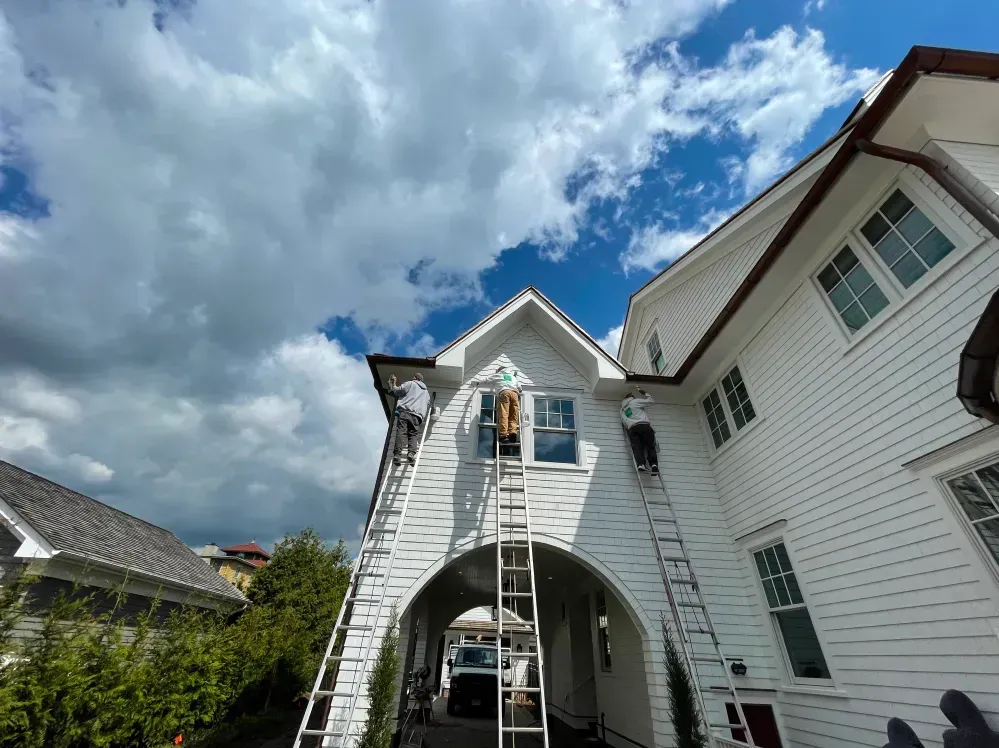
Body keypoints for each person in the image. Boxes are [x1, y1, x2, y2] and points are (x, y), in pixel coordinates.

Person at [387, 373, 430, 465]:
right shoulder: (426, 393)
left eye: (414, 376)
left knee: (401, 432)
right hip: (417, 416)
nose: (412, 377)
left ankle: (397, 455)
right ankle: (411, 453)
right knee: (413, 434)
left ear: (416, 378)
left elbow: (399, 391)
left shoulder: (410, 383)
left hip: (406, 412)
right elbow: (427, 403)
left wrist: (393, 384)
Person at [473, 365, 523, 443]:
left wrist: (478, 383)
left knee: (504, 413)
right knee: (513, 415)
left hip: (505, 392)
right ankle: (513, 433)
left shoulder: (499, 375)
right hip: (515, 394)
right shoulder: (513, 377)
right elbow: (520, 389)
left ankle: (503, 435)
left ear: (499, 371)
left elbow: (487, 380)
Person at [621, 386, 658, 474]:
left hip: (632, 429)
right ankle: (653, 464)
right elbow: (651, 401)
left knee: (637, 447)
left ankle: (641, 464)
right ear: (631, 397)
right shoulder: (635, 402)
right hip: (644, 426)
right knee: (650, 445)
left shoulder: (622, 410)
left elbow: (624, 423)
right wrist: (645, 393)